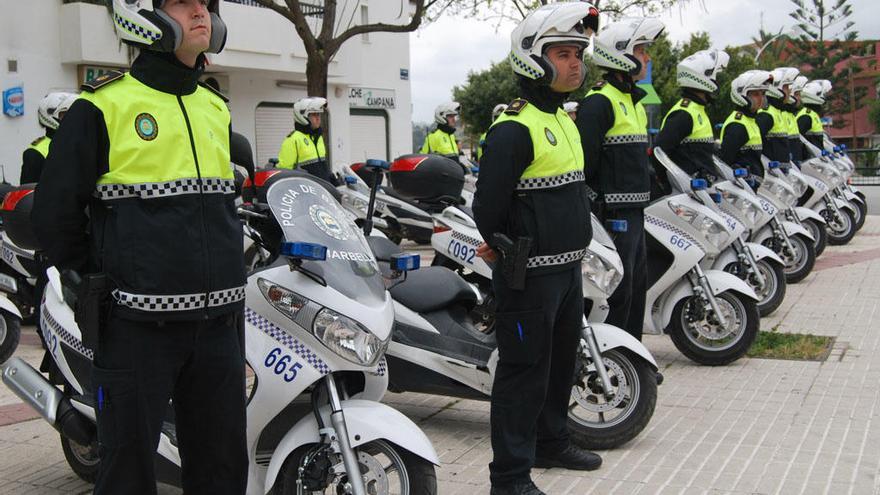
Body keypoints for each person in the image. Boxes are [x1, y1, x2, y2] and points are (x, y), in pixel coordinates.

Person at [31, 1, 247, 493]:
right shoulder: (102, 106)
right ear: (149, 17)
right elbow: (54, 212)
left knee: (222, 468)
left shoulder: (214, 107)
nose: (200, 14)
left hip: (219, 327)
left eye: (206, 6)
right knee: (126, 471)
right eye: (184, 3)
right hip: (135, 329)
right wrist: (93, 281)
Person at [473, 4, 601, 494]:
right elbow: (488, 205)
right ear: (533, 59)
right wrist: (507, 252)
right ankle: (509, 478)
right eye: (563, 54)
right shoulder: (513, 128)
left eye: (577, 55)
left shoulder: (565, 121)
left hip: (567, 273)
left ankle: (552, 443)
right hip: (528, 278)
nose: (574, 64)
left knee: (559, 365)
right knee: (523, 373)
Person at [575, 16, 665, 342]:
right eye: (642, 49)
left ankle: (632, 358)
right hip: (613, 217)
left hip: (636, 212)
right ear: (621, 54)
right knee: (617, 292)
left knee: (635, 288)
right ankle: (612, 360)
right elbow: (583, 165)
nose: (648, 57)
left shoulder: (632, 102)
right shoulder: (599, 102)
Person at [654, 49, 729, 182]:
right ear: (701, 77)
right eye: (714, 76)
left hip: (703, 190)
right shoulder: (684, 113)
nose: (717, 81)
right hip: (689, 193)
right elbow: (659, 153)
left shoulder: (698, 110)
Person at [719, 70, 774, 182]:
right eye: (755, 94)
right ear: (742, 95)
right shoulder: (738, 124)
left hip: (750, 186)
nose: (761, 98)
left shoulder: (751, 120)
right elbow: (725, 160)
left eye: (762, 94)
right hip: (741, 185)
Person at [19, 92, 77, 184]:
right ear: (50, 116)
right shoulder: (35, 153)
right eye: (66, 115)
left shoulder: (79, 143)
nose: (74, 119)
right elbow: (28, 192)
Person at [277, 96, 337, 184]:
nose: (318, 118)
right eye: (314, 114)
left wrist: (333, 180)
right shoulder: (293, 139)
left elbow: (322, 167)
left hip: (322, 191)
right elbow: (284, 172)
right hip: (305, 191)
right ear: (303, 116)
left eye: (318, 114)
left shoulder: (318, 137)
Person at [756, 67, 799, 164]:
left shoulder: (777, 112)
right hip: (772, 173)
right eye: (786, 87)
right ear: (776, 88)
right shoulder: (766, 114)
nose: (789, 91)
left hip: (781, 172)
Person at [797, 80, 830, 150]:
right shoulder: (806, 116)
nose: (825, 99)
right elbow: (798, 139)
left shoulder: (812, 114)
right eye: (824, 95)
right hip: (810, 159)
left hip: (818, 158)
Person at [787, 75, 809, 163]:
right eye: (796, 94)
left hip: (795, 164)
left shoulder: (791, 114)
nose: (799, 98)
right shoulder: (783, 114)